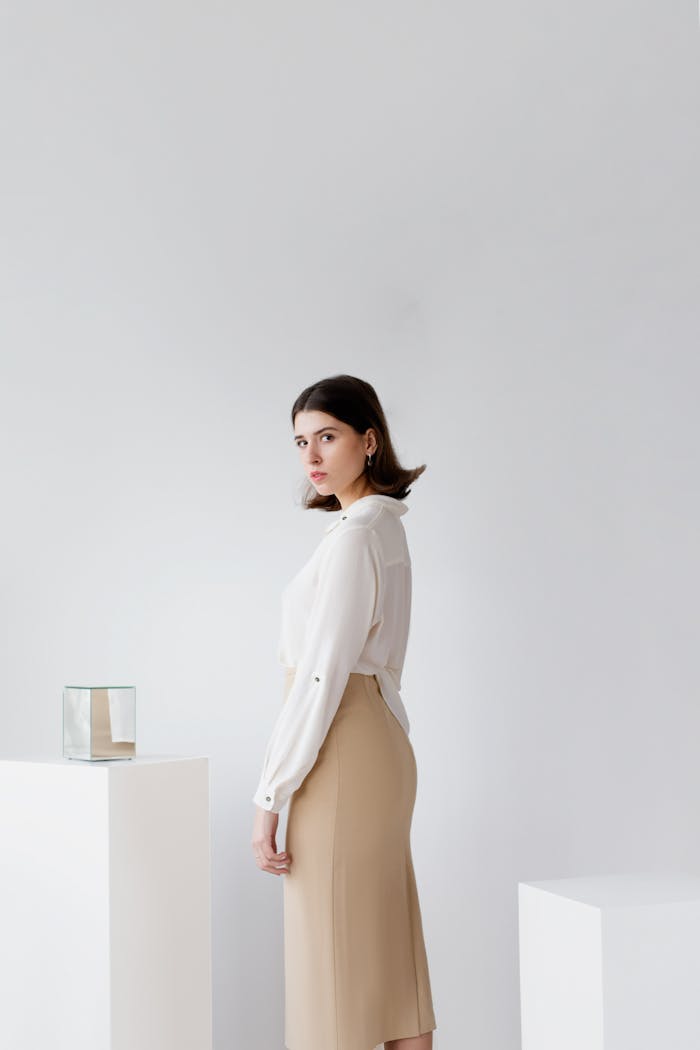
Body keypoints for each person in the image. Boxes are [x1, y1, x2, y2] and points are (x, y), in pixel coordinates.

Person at [251, 374, 437, 1050]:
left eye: (326, 436)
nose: (311, 456)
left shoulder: (357, 537)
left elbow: (323, 677)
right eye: (301, 442)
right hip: (377, 744)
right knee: (386, 963)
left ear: (369, 439)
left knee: (329, 970)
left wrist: (270, 793)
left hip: (342, 746)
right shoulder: (381, 530)